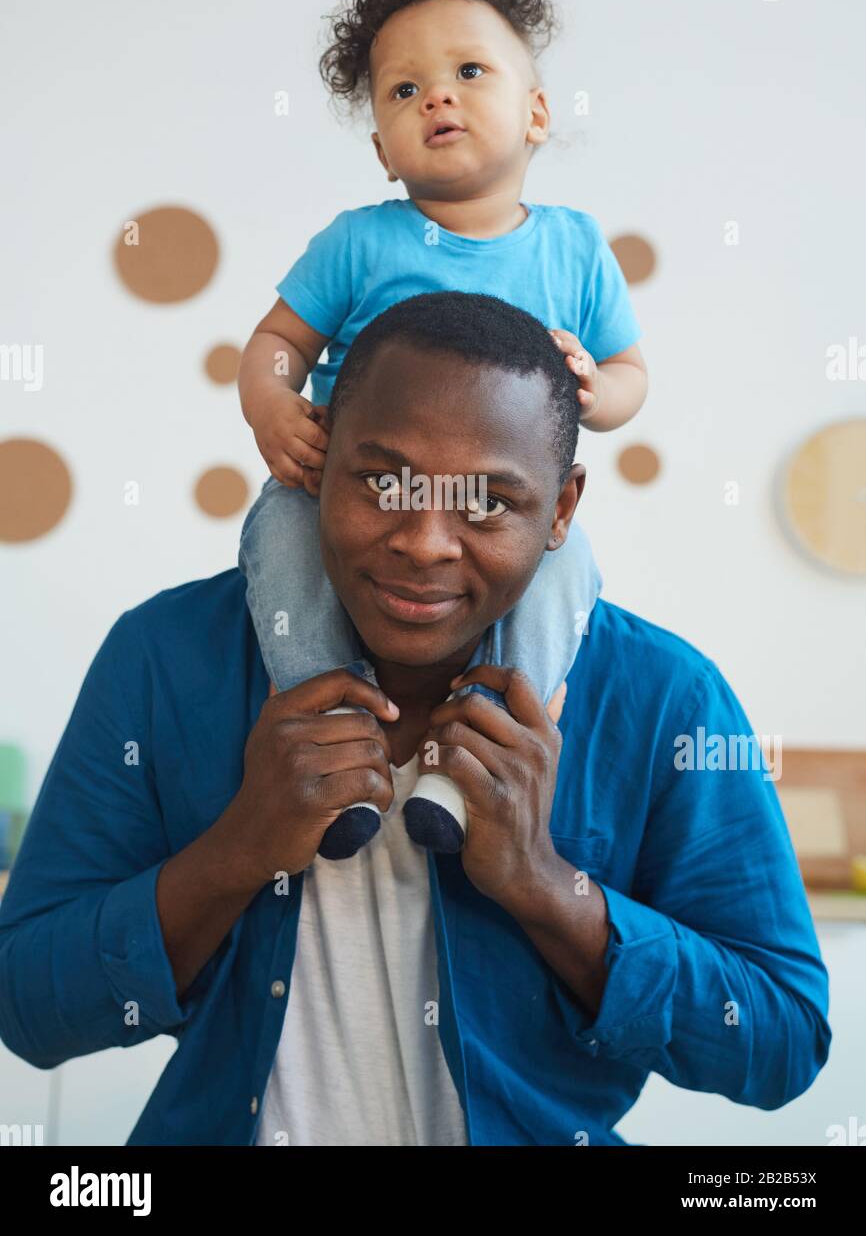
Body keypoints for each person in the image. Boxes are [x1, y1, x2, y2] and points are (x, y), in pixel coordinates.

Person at [0, 296, 830, 1147]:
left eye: (489, 503)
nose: (426, 542)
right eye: (384, 481)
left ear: (562, 510)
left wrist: (544, 885)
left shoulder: (664, 698)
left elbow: (781, 1040)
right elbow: (29, 1006)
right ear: (317, 463)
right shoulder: (164, 659)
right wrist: (239, 848)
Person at [237, 0, 648, 856]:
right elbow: (273, 348)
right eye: (403, 90)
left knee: (565, 580)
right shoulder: (358, 244)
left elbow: (630, 376)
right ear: (383, 150)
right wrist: (272, 409)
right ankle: (337, 753)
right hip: (334, 493)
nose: (438, 97)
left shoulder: (576, 250)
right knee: (279, 546)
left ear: (536, 113)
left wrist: (598, 390)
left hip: (503, 513)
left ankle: (482, 757)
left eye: (469, 71)